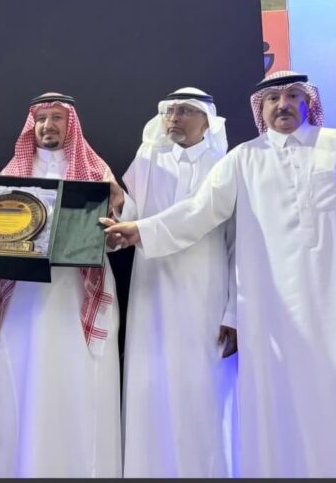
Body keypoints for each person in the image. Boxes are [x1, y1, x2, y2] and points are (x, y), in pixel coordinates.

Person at [103, 70, 336, 477]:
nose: (283, 105)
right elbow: (198, 211)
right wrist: (140, 230)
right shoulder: (243, 159)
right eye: (273, 99)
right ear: (260, 109)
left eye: (293, 96)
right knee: (282, 409)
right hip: (272, 313)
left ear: (307, 102)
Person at [0, 92, 122, 478]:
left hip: (77, 295)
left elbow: (120, 231)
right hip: (25, 298)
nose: (48, 126)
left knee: (78, 386)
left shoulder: (95, 171)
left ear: (70, 123)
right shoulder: (13, 175)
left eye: (57, 117)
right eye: (41, 119)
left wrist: (119, 206)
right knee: (24, 385)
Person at [115, 87, 237, 477]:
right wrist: (119, 205)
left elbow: (235, 243)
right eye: (169, 111)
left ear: (207, 121)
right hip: (151, 292)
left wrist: (234, 311)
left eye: (184, 111)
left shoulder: (225, 165)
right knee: (148, 388)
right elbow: (133, 214)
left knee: (200, 391)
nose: (174, 118)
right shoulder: (148, 158)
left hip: (205, 294)